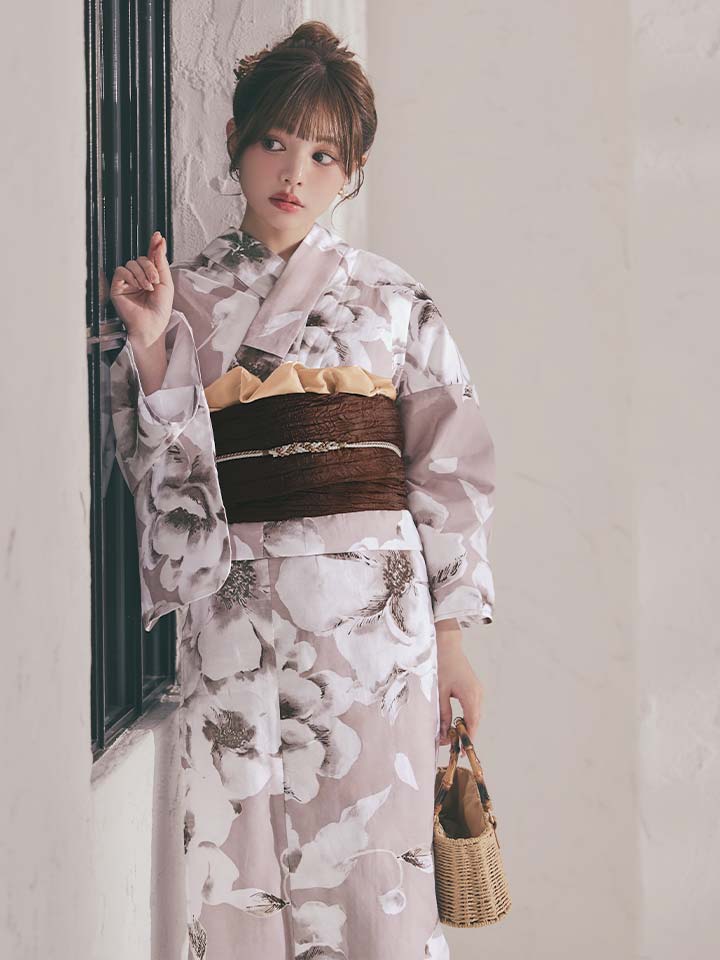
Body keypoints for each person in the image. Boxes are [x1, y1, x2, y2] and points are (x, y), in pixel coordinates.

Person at [109, 19, 496, 960]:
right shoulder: (183, 295)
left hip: (377, 628)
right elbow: (164, 468)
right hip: (236, 612)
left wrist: (451, 643)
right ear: (236, 141)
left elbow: (447, 469)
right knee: (238, 861)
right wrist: (154, 345)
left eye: (324, 154)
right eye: (275, 141)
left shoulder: (393, 299)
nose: (294, 172)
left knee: (375, 859)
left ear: (350, 170)